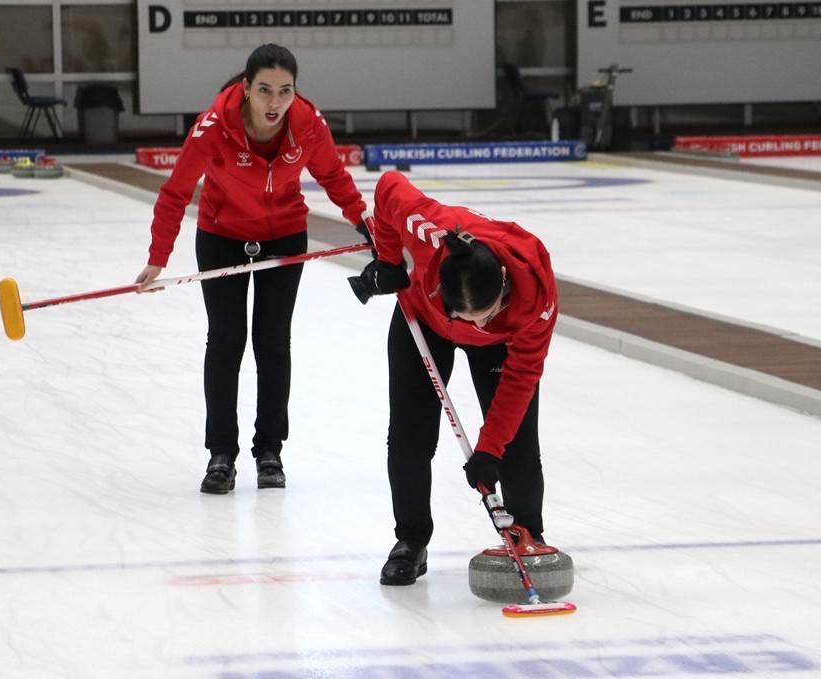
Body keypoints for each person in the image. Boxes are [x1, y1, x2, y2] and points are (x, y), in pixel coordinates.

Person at [136, 44, 371, 495]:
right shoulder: (212, 127)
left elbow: (334, 178)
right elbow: (175, 192)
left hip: (284, 235)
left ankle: (269, 452)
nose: (274, 102)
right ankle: (221, 454)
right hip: (221, 235)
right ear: (246, 89)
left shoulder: (308, 124)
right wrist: (157, 257)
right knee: (226, 342)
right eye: (264, 90)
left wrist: (366, 224)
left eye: (285, 91)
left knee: (272, 342)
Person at [348, 171, 558, 586]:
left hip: (500, 343)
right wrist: (389, 261)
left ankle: (527, 536)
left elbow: (521, 377)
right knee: (409, 436)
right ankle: (410, 540)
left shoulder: (535, 295)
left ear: (502, 281)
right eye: (463, 313)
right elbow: (388, 187)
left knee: (516, 446)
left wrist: (489, 449)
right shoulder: (430, 231)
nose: (475, 324)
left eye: (484, 314)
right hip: (424, 323)